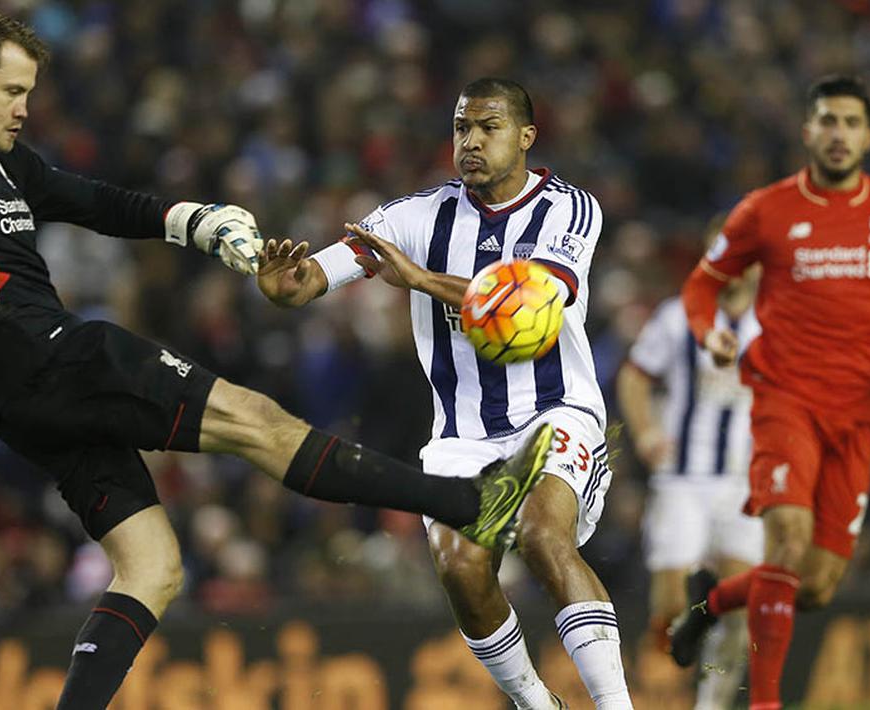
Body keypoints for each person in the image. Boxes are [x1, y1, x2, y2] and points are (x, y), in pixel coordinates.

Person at [0, 13, 551, 710]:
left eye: (29, 92)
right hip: (57, 358)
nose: (25, 109)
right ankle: (468, 503)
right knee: (258, 422)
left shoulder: (2, 162)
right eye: (11, 92)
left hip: (18, 400)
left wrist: (193, 222)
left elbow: (94, 202)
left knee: (152, 567)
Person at [257, 78, 632, 710]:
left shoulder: (570, 208)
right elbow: (319, 273)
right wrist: (286, 284)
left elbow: (534, 298)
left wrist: (420, 279)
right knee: (459, 563)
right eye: (462, 128)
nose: (472, 142)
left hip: (555, 410)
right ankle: (537, 704)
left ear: (526, 136)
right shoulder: (415, 216)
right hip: (461, 436)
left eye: (489, 127)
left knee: (544, 536)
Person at [667, 75, 870, 708]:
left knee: (813, 585)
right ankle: (766, 703)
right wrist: (710, 333)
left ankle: (712, 603)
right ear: (808, 131)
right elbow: (701, 286)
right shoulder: (764, 210)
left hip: (858, 412)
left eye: (851, 122)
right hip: (783, 398)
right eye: (828, 120)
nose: (839, 133)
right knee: (786, 541)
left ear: (869, 136)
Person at [618, 250, 762, 710]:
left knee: (743, 610)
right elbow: (635, 376)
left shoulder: (782, 320)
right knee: (671, 613)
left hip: (744, 482)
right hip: (682, 478)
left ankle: (712, 704)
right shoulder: (679, 315)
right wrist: (644, 432)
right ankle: (695, 616)